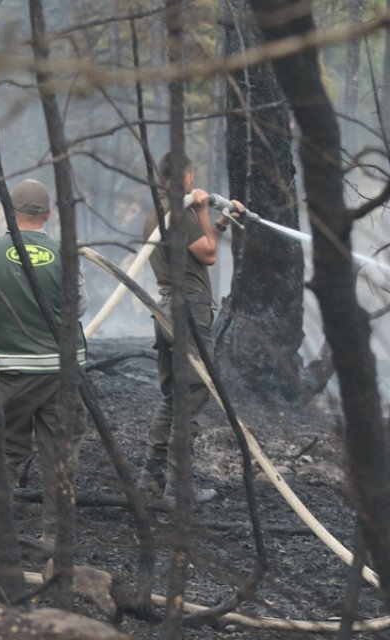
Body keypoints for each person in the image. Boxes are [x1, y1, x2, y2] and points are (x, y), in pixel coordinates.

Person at [0, 178, 86, 545]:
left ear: (11, 212)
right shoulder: (64, 252)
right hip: (59, 371)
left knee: (1, 448)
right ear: (48, 215)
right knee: (60, 455)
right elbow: (80, 306)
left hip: (7, 371)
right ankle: (55, 536)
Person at [142, 153, 242, 503]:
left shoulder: (159, 212)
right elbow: (209, 256)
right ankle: (178, 487)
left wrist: (224, 220)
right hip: (189, 309)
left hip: (167, 307)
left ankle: (152, 475)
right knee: (194, 391)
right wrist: (202, 209)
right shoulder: (180, 213)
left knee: (174, 394)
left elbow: (202, 245)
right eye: (192, 175)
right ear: (185, 177)